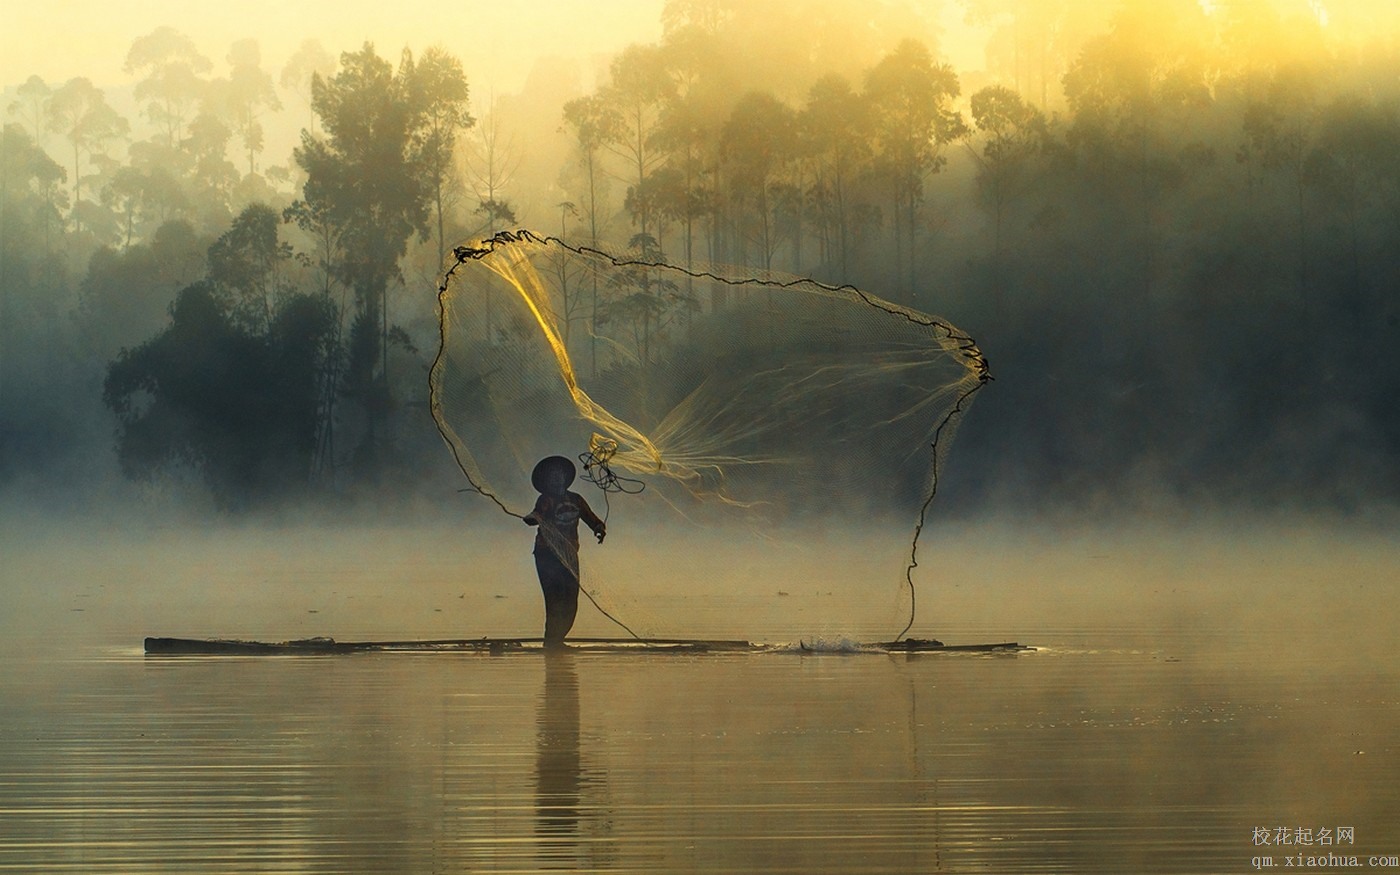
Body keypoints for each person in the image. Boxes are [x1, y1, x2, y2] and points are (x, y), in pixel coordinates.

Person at [523, 456, 605, 648]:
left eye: (559, 474)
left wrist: (599, 528)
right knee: (554, 598)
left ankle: (558, 640)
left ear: (565, 477)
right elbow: (537, 514)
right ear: (547, 481)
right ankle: (551, 641)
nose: (556, 478)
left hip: (569, 554)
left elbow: (590, 517)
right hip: (547, 555)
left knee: (570, 598)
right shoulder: (546, 500)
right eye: (552, 476)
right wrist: (531, 519)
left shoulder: (575, 499)